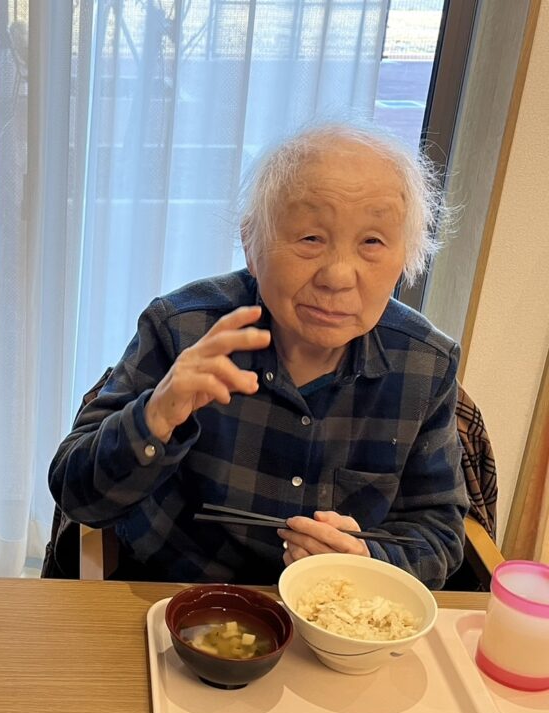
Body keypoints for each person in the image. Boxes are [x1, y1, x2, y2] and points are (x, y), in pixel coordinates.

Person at [49, 123, 468, 589]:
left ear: (406, 257)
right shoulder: (184, 330)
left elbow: (439, 533)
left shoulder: (425, 364)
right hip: (177, 600)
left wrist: (366, 558)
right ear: (251, 244)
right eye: (310, 238)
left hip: (333, 614)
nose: (337, 276)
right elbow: (76, 495)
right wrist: (156, 416)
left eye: (372, 242)